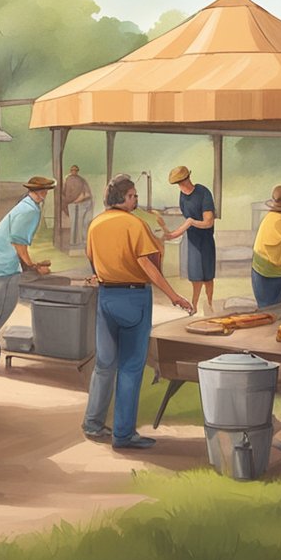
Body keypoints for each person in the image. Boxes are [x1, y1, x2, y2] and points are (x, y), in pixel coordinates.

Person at [83, 176, 194, 449]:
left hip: (106, 296)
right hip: (133, 297)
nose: (136, 200)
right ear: (121, 198)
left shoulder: (95, 223)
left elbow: (91, 259)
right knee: (131, 368)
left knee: (105, 363)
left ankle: (93, 423)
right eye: (132, 196)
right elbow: (148, 265)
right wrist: (174, 295)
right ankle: (123, 434)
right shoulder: (135, 224)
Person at [0, 176, 53, 366]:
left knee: (5, 306)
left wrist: (30, 264)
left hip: (5, 262)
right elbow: (18, 242)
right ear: (37, 191)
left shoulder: (30, 206)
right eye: (44, 190)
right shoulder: (28, 210)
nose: (46, 193)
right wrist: (33, 266)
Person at [164, 165, 216, 315]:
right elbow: (186, 218)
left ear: (188, 178)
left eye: (182, 182)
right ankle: (194, 305)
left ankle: (210, 304)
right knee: (195, 276)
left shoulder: (203, 192)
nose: (181, 186)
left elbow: (209, 222)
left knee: (207, 276)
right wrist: (177, 231)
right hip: (192, 240)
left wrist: (191, 222)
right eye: (178, 184)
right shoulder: (182, 196)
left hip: (205, 239)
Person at [61, 164, 94, 246]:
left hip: (82, 203)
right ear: (70, 171)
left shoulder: (81, 180)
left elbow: (86, 194)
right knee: (75, 223)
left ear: (77, 171)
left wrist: (78, 200)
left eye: (75, 170)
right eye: (72, 170)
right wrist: (69, 202)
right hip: (73, 204)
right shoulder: (67, 180)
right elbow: (64, 193)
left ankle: (82, 241)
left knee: (83, 223)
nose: (74, 171)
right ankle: (74, 242)